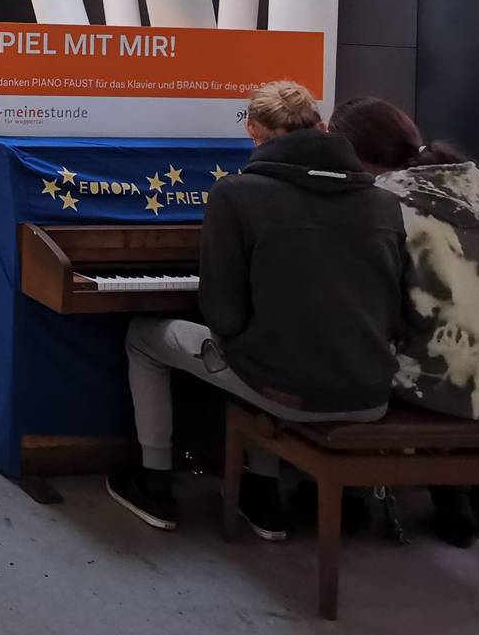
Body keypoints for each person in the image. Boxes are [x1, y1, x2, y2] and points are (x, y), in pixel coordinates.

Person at [108, 81, 407, 540]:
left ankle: (155, 484)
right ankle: (260, 492)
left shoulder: (237, 194)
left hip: (285, 390)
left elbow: (224, 315)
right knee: (264, 348)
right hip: (370, 394)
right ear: (323, 127)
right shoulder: (385, 203)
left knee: (147, 337)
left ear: (253, 130)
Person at [329, 97, 479, 546]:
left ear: (349, 153)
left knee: (341, 347)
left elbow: (365, 312)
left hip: (449, 388)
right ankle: (454, 494)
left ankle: (342, 493)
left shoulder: (384, 204)